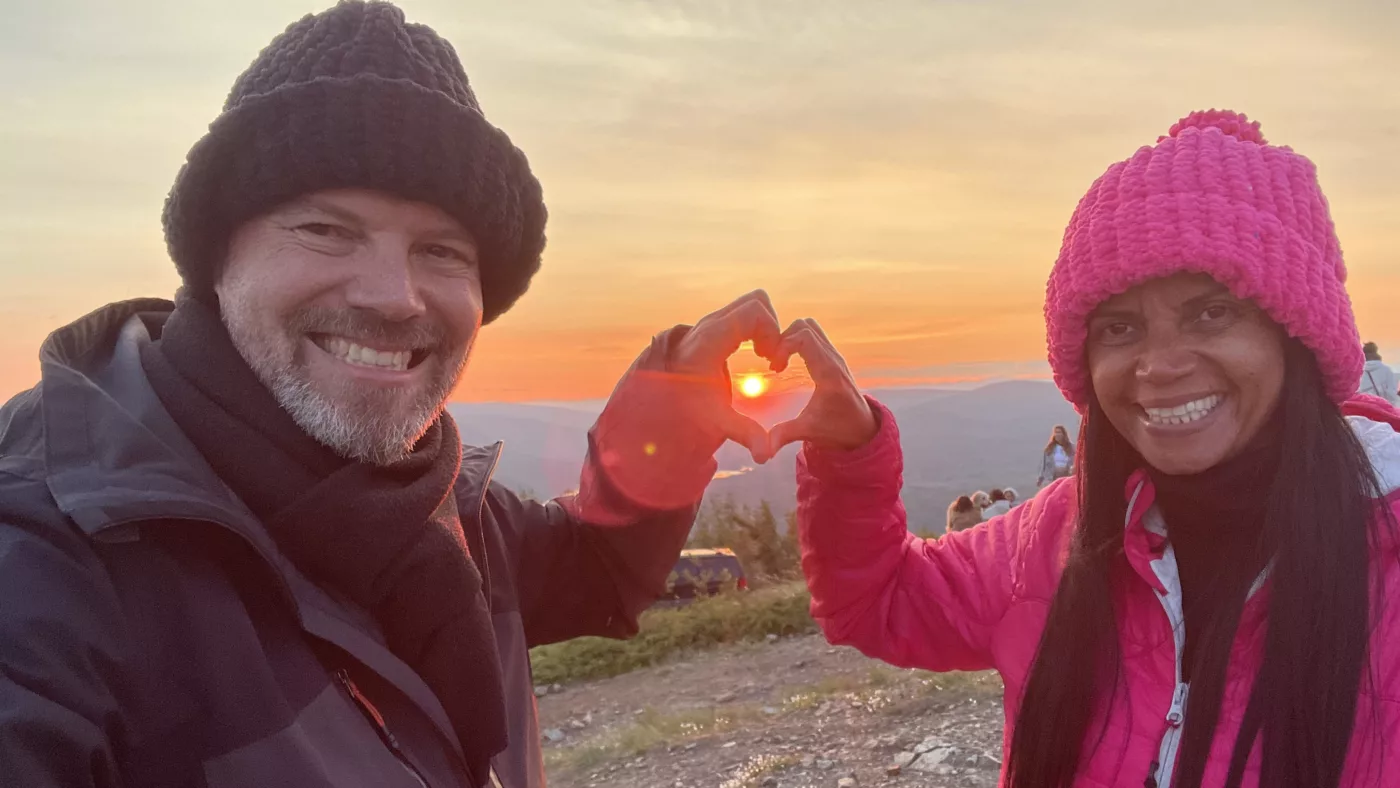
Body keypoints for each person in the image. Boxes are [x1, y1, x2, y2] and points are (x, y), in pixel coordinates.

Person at [0, 4, 781, 787]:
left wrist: (673, 409)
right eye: (326, 230)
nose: (394, 297)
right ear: (216, 256)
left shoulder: (445, 510)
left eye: (439, 250)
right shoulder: (52, 557)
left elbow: (596, 571)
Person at [777, 110, 1400, 787]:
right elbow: (878, 601)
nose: (1159, 366)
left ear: (1296, 334)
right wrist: (850, 453)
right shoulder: (1058, 539)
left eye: (1212, 312)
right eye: (1120, 327)